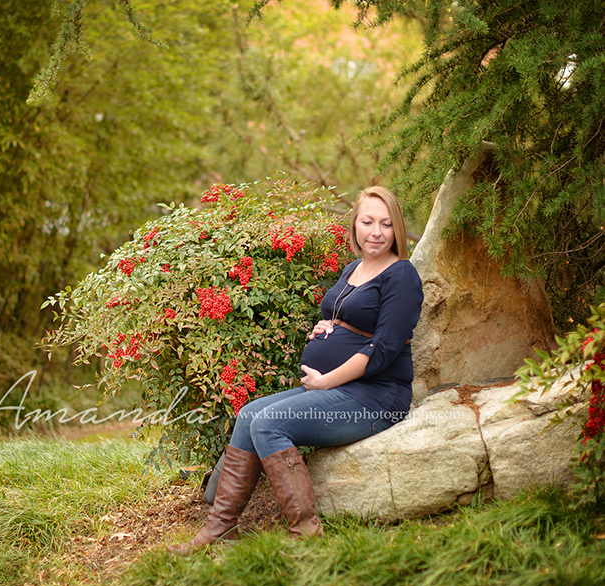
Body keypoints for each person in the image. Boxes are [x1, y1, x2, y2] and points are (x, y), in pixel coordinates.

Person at [169, 185, 423, 554]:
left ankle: (306, 537)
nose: (376, 232)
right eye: (367, 221)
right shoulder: (355, 268)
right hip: (336, 389)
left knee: (270, 423)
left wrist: (326, 381)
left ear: (397, 229)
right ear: (354, 224)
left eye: (385, 224)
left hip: (376, 397)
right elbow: (345, 315)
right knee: (249, 414)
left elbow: (384, 349)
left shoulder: (401, 274)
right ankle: (220, 528)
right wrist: (329, 327)